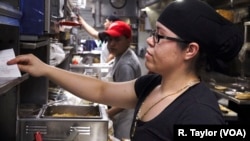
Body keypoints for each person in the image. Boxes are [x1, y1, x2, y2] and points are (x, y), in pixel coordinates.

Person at [7, 0, 244, 141]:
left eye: (159, 36)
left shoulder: (200, 116)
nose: (150, 42)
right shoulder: (152, 85)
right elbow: (101, 90)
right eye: (153, 33)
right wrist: (45, 69)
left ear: (190, 50)